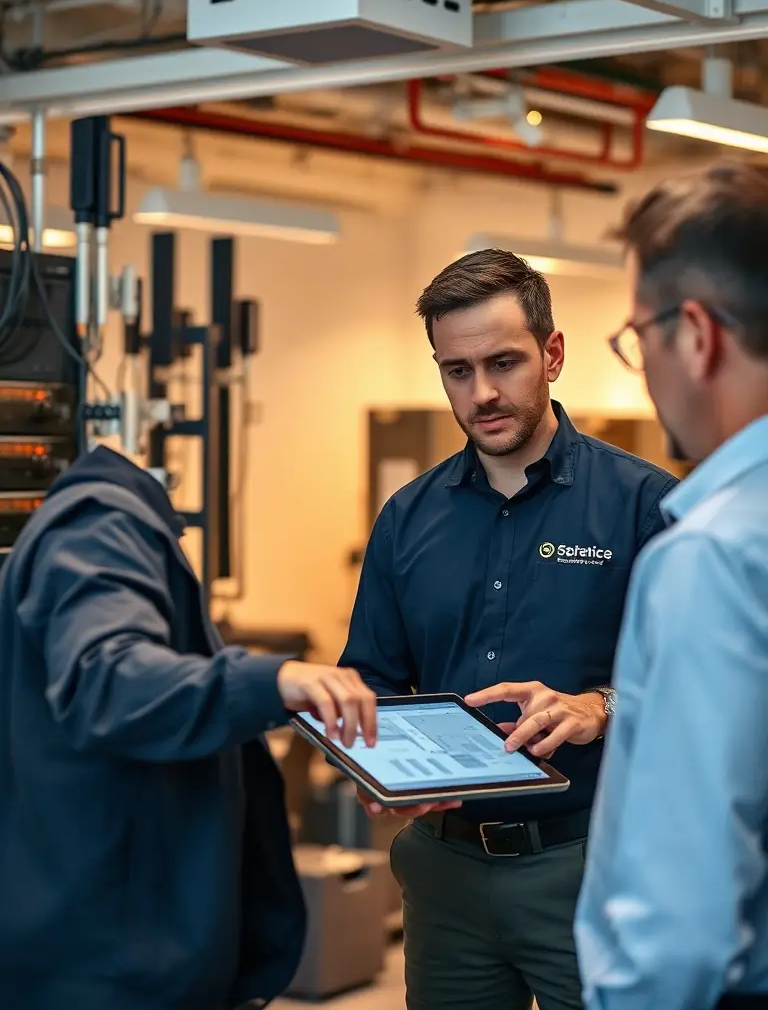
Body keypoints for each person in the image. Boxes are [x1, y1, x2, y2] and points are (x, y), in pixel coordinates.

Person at [339, 249, 677, 1010]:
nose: (483, 393)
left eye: (504, 362)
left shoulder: (645, 505)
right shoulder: (407, 519)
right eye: (457, 370)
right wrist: (369, 760)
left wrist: (604, 707)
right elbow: (372, 682)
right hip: (445, 876)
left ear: (552, 354)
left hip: (592, 865)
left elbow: (708, 694)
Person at [0, 444, 377, 1010]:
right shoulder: (100, 526)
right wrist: (270, 682)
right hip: (110, 957)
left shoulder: (90, 524)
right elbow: (112, 680)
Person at [574, 163, 768, 1010]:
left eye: (637, 338)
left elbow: (679, 930)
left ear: (696, 334)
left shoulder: (711, 556)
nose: (641, 369)